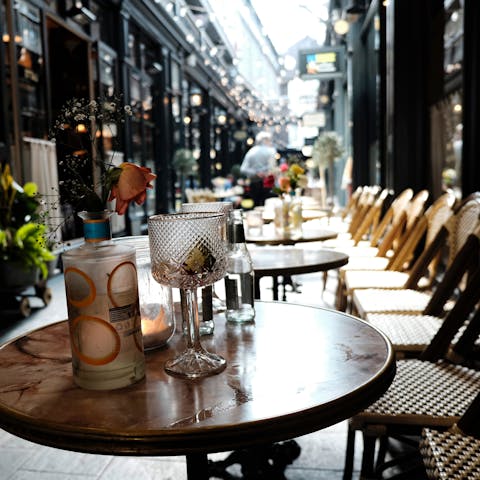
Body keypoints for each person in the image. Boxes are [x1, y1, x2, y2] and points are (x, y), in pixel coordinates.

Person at [240, 131, 277, 206]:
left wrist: (256, 173)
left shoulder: (251, 151)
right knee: (267, 205)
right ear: (266, 140)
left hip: (254, 183)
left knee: (256, 205)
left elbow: (243, 169)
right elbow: (272, 168)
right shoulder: (271, 151)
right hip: (267, 183)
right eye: (269, 140)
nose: (270, 142)